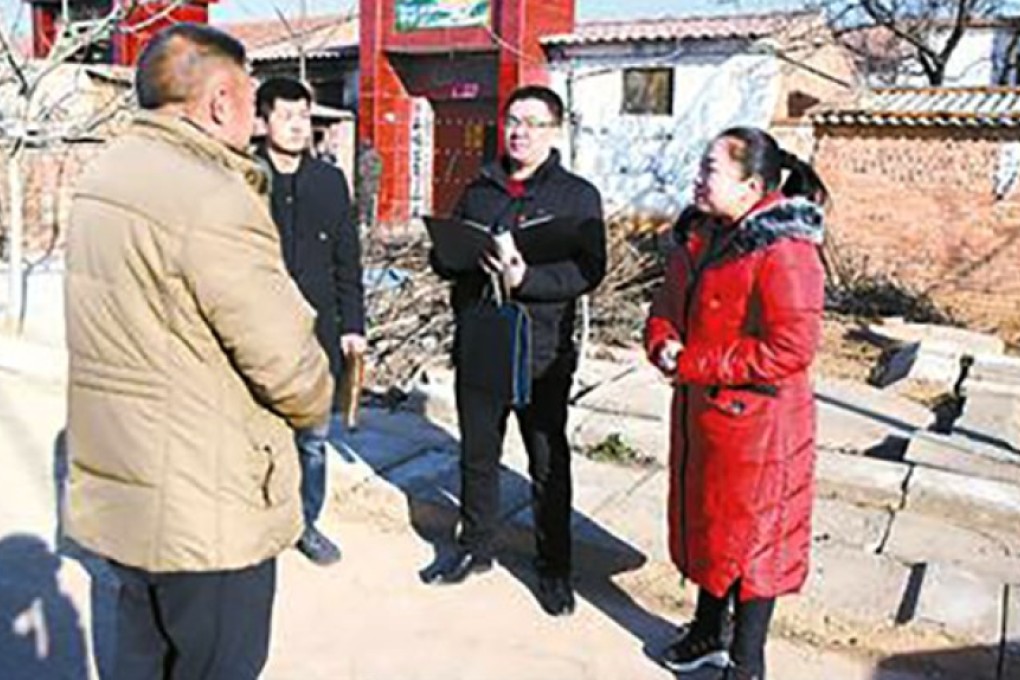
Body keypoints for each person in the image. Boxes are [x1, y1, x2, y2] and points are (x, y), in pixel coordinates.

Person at [64, 24, 333, 679]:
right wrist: (321, 393)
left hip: (130, 489)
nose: (255, 113)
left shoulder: (105, 174)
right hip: (206, 505)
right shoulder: (213, 195)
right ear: (219, 101)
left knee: (141, 656)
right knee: (217, 663)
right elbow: (290, 367)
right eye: (249, 96)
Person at [644, 127, 828, 680]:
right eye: (701, 168)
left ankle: (746, 662)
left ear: (752, 185)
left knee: (753, 546)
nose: (698, 180)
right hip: (704, 417)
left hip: (761, 427)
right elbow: (666, 305)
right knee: (708, 525)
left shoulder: (784, 248)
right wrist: (660, 339)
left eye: (710, 171)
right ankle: (706, 632)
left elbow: (791, 348)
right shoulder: (700, 235)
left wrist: (696, 362)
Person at [424, 85, 607, 618]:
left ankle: (554, 568)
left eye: (531, 123)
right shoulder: (481, 188)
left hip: (541, 346)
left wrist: (528, 278)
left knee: (547, 461)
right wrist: (454, 255)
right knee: (478, 453)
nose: (519, 132)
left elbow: (588, 270)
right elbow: (445, 258)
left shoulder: (577, 196)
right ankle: (475, 547)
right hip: (481, 336)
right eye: (512, 121)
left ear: (554, 131)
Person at [255, 77, 366, 566]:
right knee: (254, 432)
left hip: (317, 329)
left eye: (305, 116)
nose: (299, 126)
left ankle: (307, 524)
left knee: (314, 437)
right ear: (262, 121)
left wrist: (353, 324)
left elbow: (349, 258)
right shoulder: (243, 176)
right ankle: (256, 521)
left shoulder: (329, 180)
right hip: (255, 327)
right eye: (287, 116)